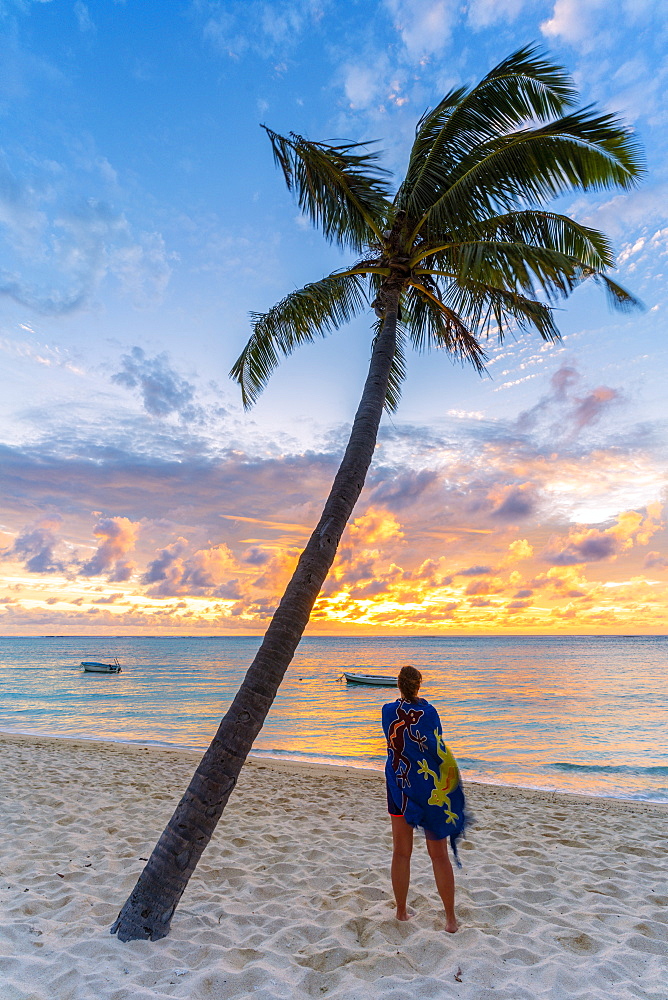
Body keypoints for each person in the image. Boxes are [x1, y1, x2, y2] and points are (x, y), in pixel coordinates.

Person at [382, 665, 467, 933]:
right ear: (419, 684)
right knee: (439, 855)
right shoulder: (429, 713)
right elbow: (437, 746)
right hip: (429, 789)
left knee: (401, 852)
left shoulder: (387, 711)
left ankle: (401, 911)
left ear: (399, 685)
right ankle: (451, 920)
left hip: (399, 785)